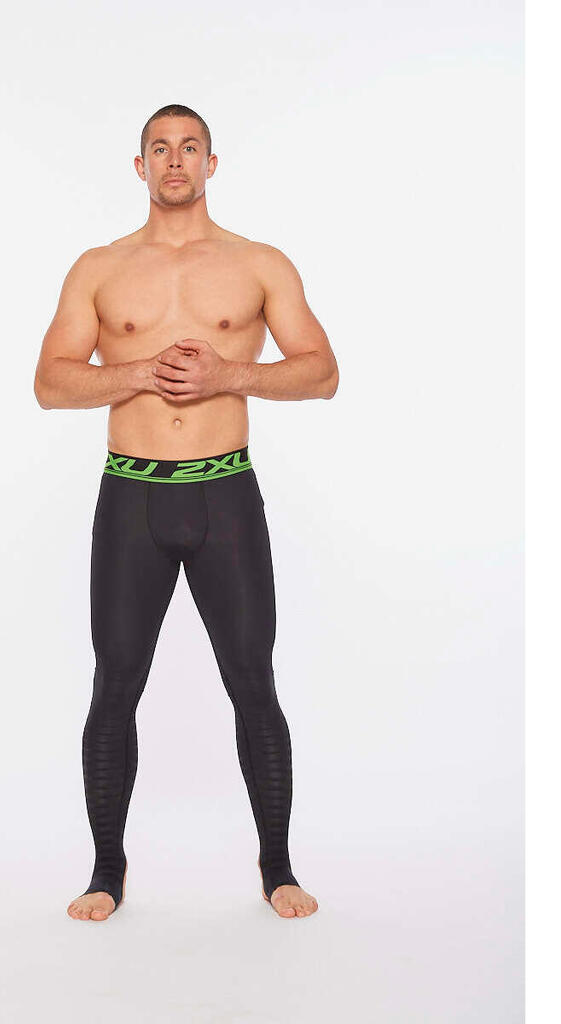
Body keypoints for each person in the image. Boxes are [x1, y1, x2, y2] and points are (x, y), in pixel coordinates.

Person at [34, 104, 338, 922]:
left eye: (190, 147)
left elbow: (321, 371)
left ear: (212, 163)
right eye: (160, 149)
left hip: (224, 493)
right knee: (114, 686)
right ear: (141, 167)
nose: (176, 161)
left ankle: (278, 868)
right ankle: (106, 873)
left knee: (254, 683)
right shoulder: (99, 268)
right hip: (131, 495)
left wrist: (228, 376)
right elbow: (51, 382)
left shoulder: (258, 263)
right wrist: (137, 371)